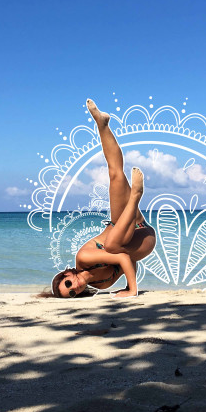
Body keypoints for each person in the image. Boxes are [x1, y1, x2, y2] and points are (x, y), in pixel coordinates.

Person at [49, 99, 156, 299]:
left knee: (115, 173)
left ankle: (102, 124)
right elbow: (126, 259)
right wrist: (129, 287)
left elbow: (124, 259)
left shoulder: (83, 258)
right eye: (72, 293)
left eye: (68, 283)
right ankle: (135, 196)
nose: (75, 287)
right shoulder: (103, 284)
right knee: (113, 247)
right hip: (144, 238)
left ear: (67, 274)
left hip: (126, 223)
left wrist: (131, 289)